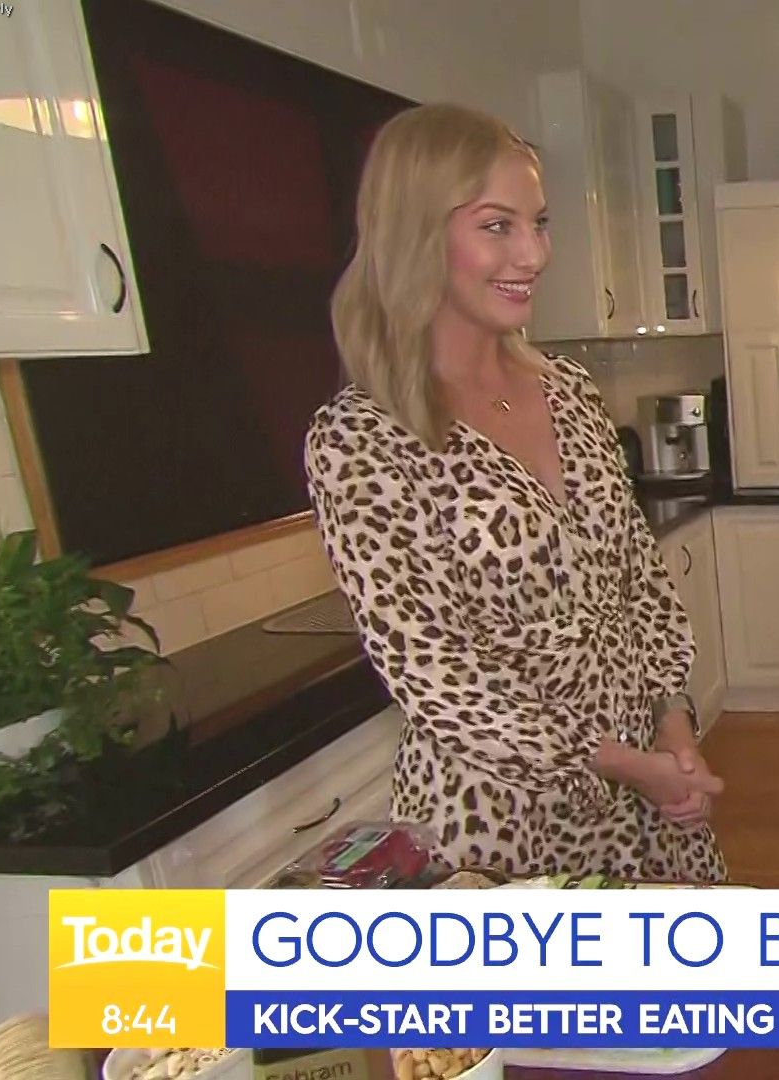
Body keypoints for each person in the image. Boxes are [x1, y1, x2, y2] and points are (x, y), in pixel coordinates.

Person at [304, 103, 726, 882]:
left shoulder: (570, 391)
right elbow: (436, 671)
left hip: (645, 798)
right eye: (497, 225)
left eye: (539, 222)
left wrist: (673, 727)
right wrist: (620, 762)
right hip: (501, 823)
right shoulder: (362, 438)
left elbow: (639, 581)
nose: (533, 253)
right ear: (414, 234)